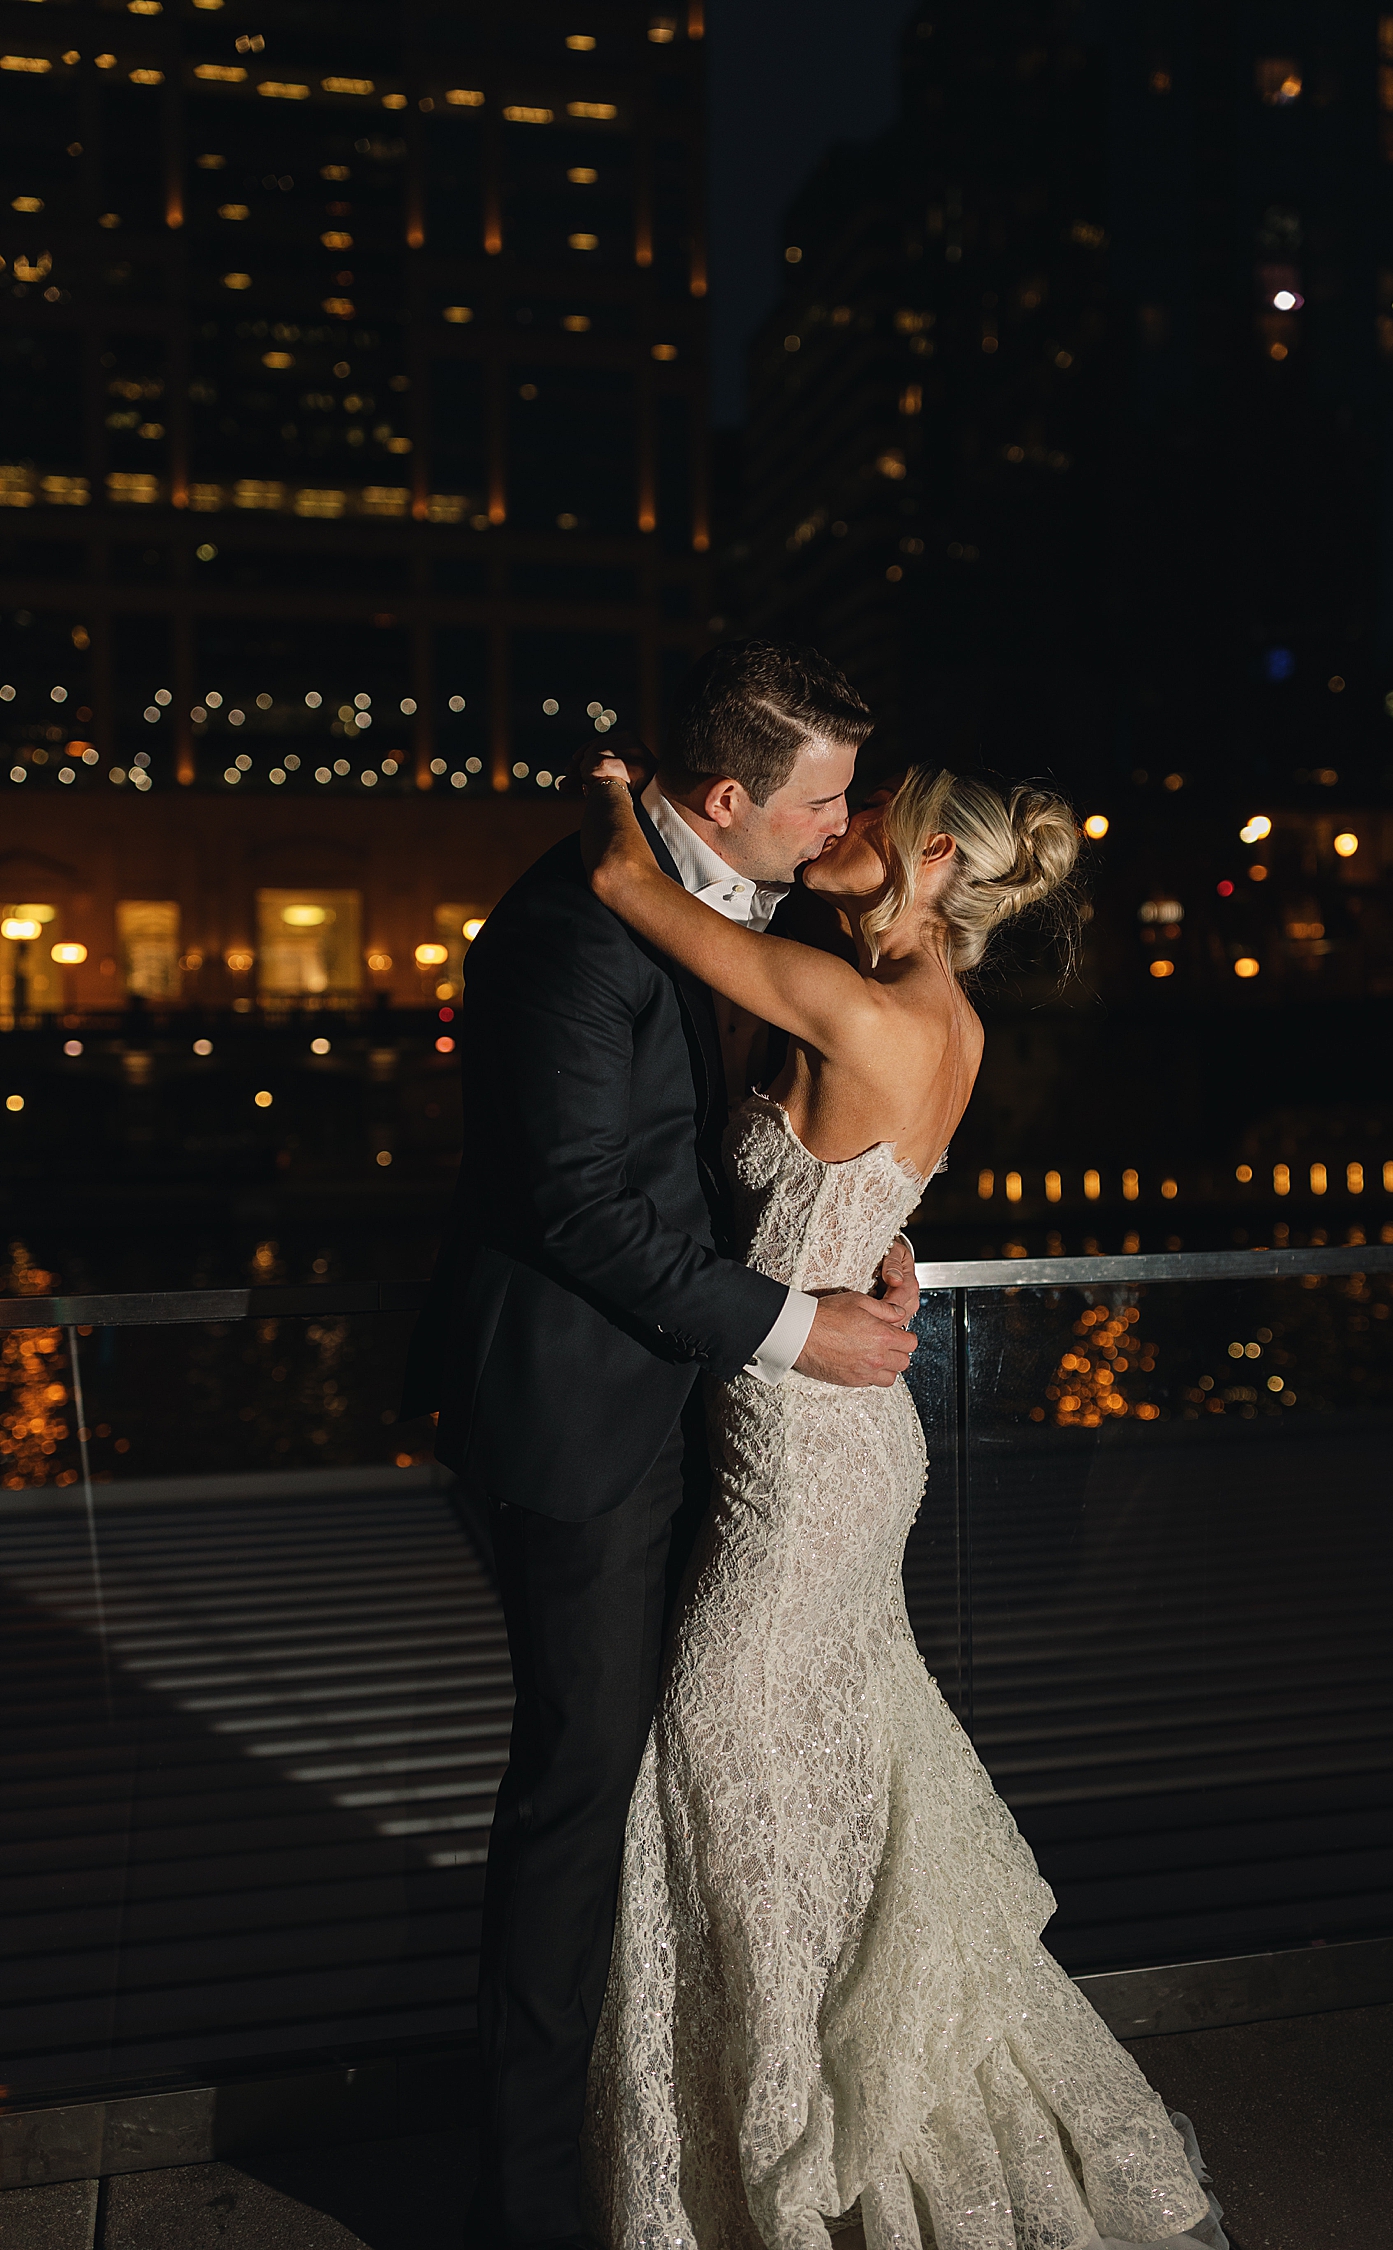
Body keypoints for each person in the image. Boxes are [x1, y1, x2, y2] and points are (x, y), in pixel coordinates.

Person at [577, 753, 1232, 2250]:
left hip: (811, 1471)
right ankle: (792, 2139)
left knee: (723, 1768)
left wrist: (620, 784)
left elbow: (627, 882)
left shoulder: (862, 1003)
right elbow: (861, 1191)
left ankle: (796, 2165)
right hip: (836, 1443)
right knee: (804, 1799)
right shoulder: (947, 1017)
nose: (843, 825)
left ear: (930, 859)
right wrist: (863, 1254)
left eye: (873, 815)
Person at [402, 640, 923, 2250]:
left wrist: (849, 1239)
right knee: (579, 1793)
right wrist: (795, 1323)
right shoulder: (572, 930)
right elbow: (575, 1202)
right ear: (728, 798)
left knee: (657, 1781)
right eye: (825, 794)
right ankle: (531, 2206)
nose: (845, 823)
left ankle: (669, 2134)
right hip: (575, 1422)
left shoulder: (707, 908)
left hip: (691, 1410)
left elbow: (724, 1155)